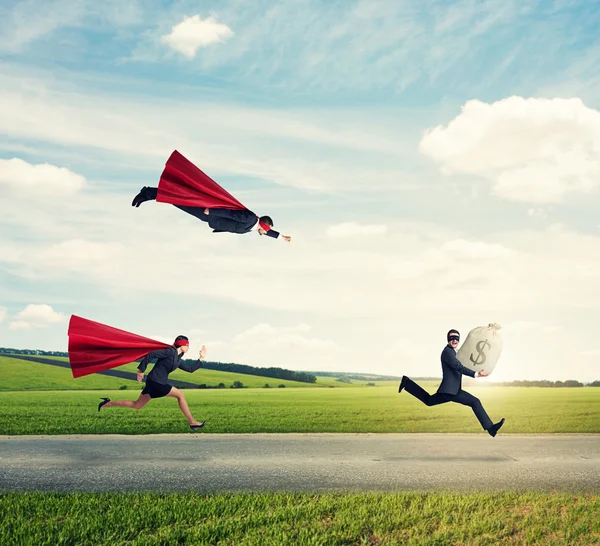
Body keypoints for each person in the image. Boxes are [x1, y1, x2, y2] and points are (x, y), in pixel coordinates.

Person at [131, 150, 291, 242]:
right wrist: (211, 212)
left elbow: (267, 231)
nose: (267, 232)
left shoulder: (253, 226)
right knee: (181, 200)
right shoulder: (250, 219)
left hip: (209, 218)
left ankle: (150, 193)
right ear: (263, 226)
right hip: (209, 213)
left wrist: (281, 237)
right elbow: (230, 214)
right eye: (267, 229)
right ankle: (149, 193)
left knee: (181, 200)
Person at [398, 329, 505, 437]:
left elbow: (465, 361)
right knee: (475, 402)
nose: (454, 340)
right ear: (448, 339)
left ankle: (407, 383)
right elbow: (459, 367)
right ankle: (491, 429)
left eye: (456, 338)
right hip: (451, 391)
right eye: (452, 338)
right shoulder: (447, 352)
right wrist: (477, 374)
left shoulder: (454, 352)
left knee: (429, 401)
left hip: (449, 390)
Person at [98, 336, 208, 432]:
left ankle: (107, 403)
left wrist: (201, 357)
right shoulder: (170, 351)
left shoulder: (177, 359)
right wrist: (141, 370)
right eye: (187, 345)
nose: (189, 347)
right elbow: (152, 354)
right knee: (180, 395)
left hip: (154, 382)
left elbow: (190, 369)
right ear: (181, 345)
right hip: (157, 382)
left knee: (137, 405)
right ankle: (192, 421)